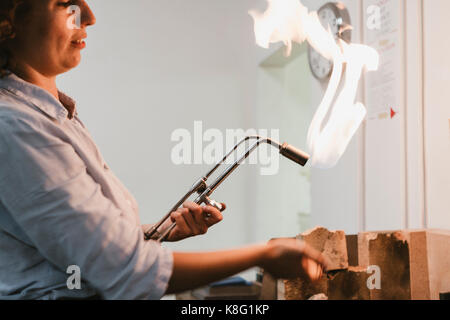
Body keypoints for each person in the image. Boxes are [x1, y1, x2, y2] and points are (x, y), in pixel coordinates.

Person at [0, 0, 327, 300]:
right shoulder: (15, 125)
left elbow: (78, 246)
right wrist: (263, 256)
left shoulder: (57, 115)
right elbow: (121, 270)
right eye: (65, 4)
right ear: (10, 21)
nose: (89, 16)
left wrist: (160, 233)